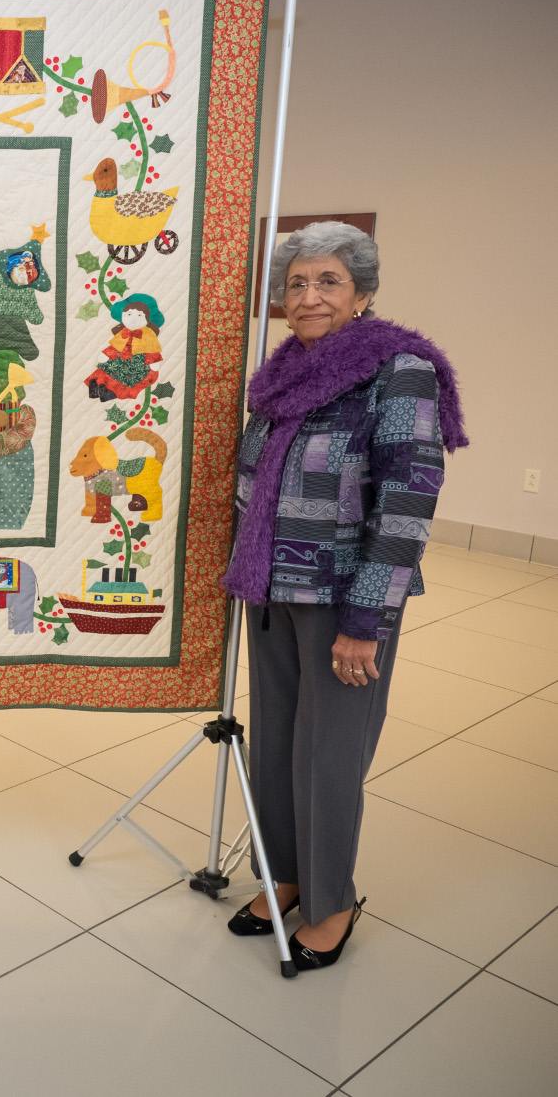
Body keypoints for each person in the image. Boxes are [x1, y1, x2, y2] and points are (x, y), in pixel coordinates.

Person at [221, 222, 468, 970]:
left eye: (327, 280)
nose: (309, 295)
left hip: (342, 598)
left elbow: (408, 500)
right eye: (296, 283)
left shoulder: (398, 370)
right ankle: (285, 873)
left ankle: (332, 898)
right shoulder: (282, 374)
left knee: (327, 755)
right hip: (271, 589)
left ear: (362, 292)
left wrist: (367, 620)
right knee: (276, 745)